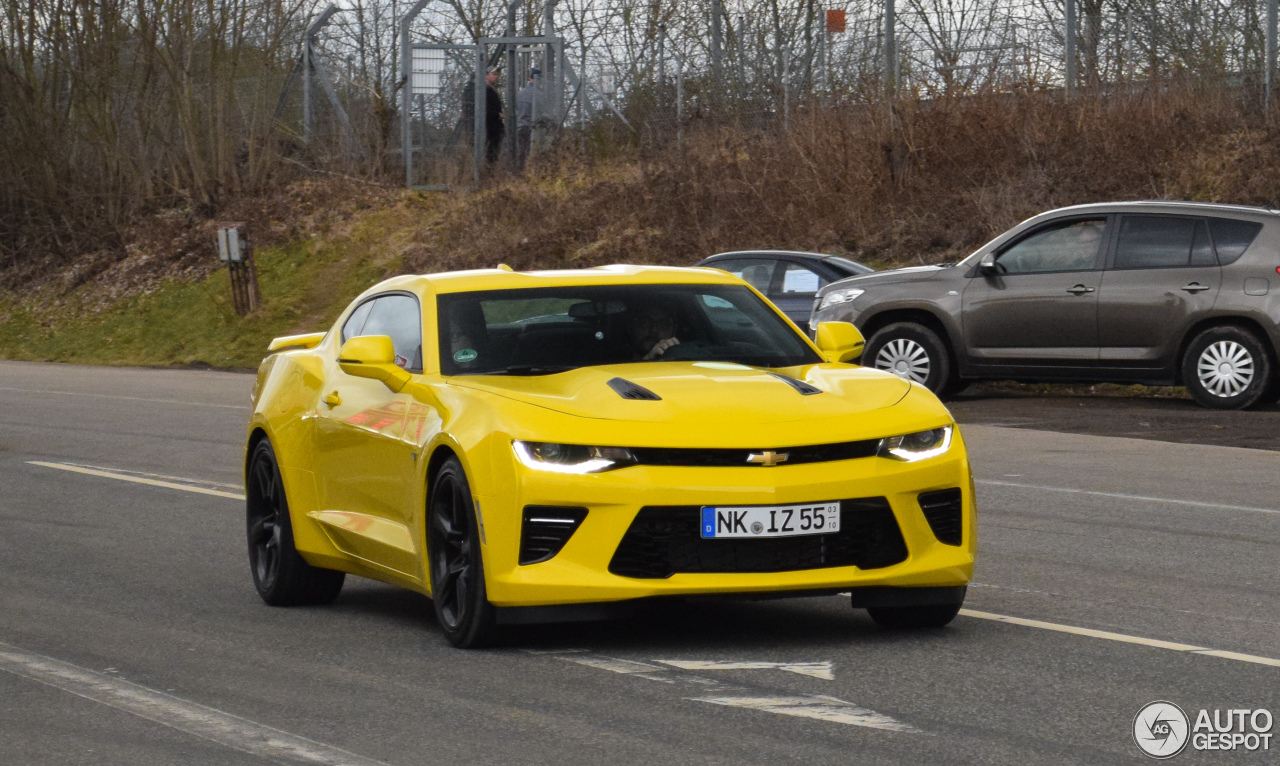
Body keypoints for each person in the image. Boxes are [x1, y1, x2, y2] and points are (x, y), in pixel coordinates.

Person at [515, 68, 544, 170]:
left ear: (529, 79)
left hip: (520, 126)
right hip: (533, 128)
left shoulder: (519, 94)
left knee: (520, 153)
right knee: (530, 153)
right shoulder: (540, 95)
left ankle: (518, 173)